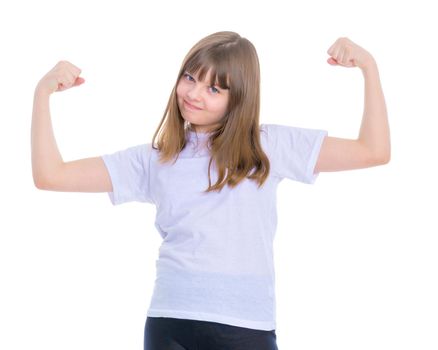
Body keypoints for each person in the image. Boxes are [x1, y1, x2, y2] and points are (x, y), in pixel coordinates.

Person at [31, 31, 390, 350]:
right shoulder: (156, 158)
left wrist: (369, 67)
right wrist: (41, 95)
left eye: (213, 88)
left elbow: (373, 151)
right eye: (189, 78)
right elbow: (51, 176)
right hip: (170, 323)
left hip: (245, 329)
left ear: (240, 98)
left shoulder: (267, 146)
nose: (193, 94)